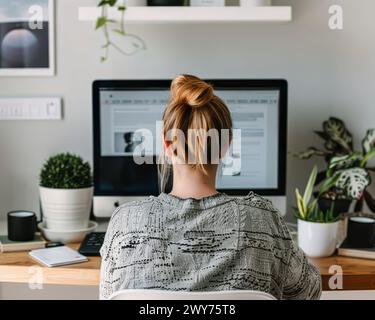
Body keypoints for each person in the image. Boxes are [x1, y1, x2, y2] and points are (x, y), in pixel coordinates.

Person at [100, 74, 322, 300]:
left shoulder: (124, 224)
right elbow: (309, 291)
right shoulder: (264, 221)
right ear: (225, 146)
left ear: (167, 145)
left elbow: (108, 295)